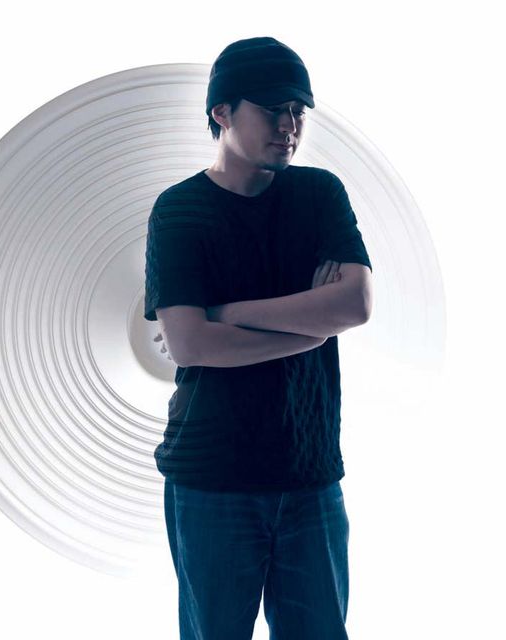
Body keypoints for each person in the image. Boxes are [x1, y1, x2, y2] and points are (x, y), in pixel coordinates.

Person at [143, 36, 373, 640]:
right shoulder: (179, 211)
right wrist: (307, 332)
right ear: (221, 111)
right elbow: (190, 345)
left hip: (310, 474)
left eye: (298, 111)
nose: (289, 126)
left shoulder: (319, 195)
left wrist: (225, 313)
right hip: (211, 475)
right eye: (272, 110)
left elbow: (355, 303)